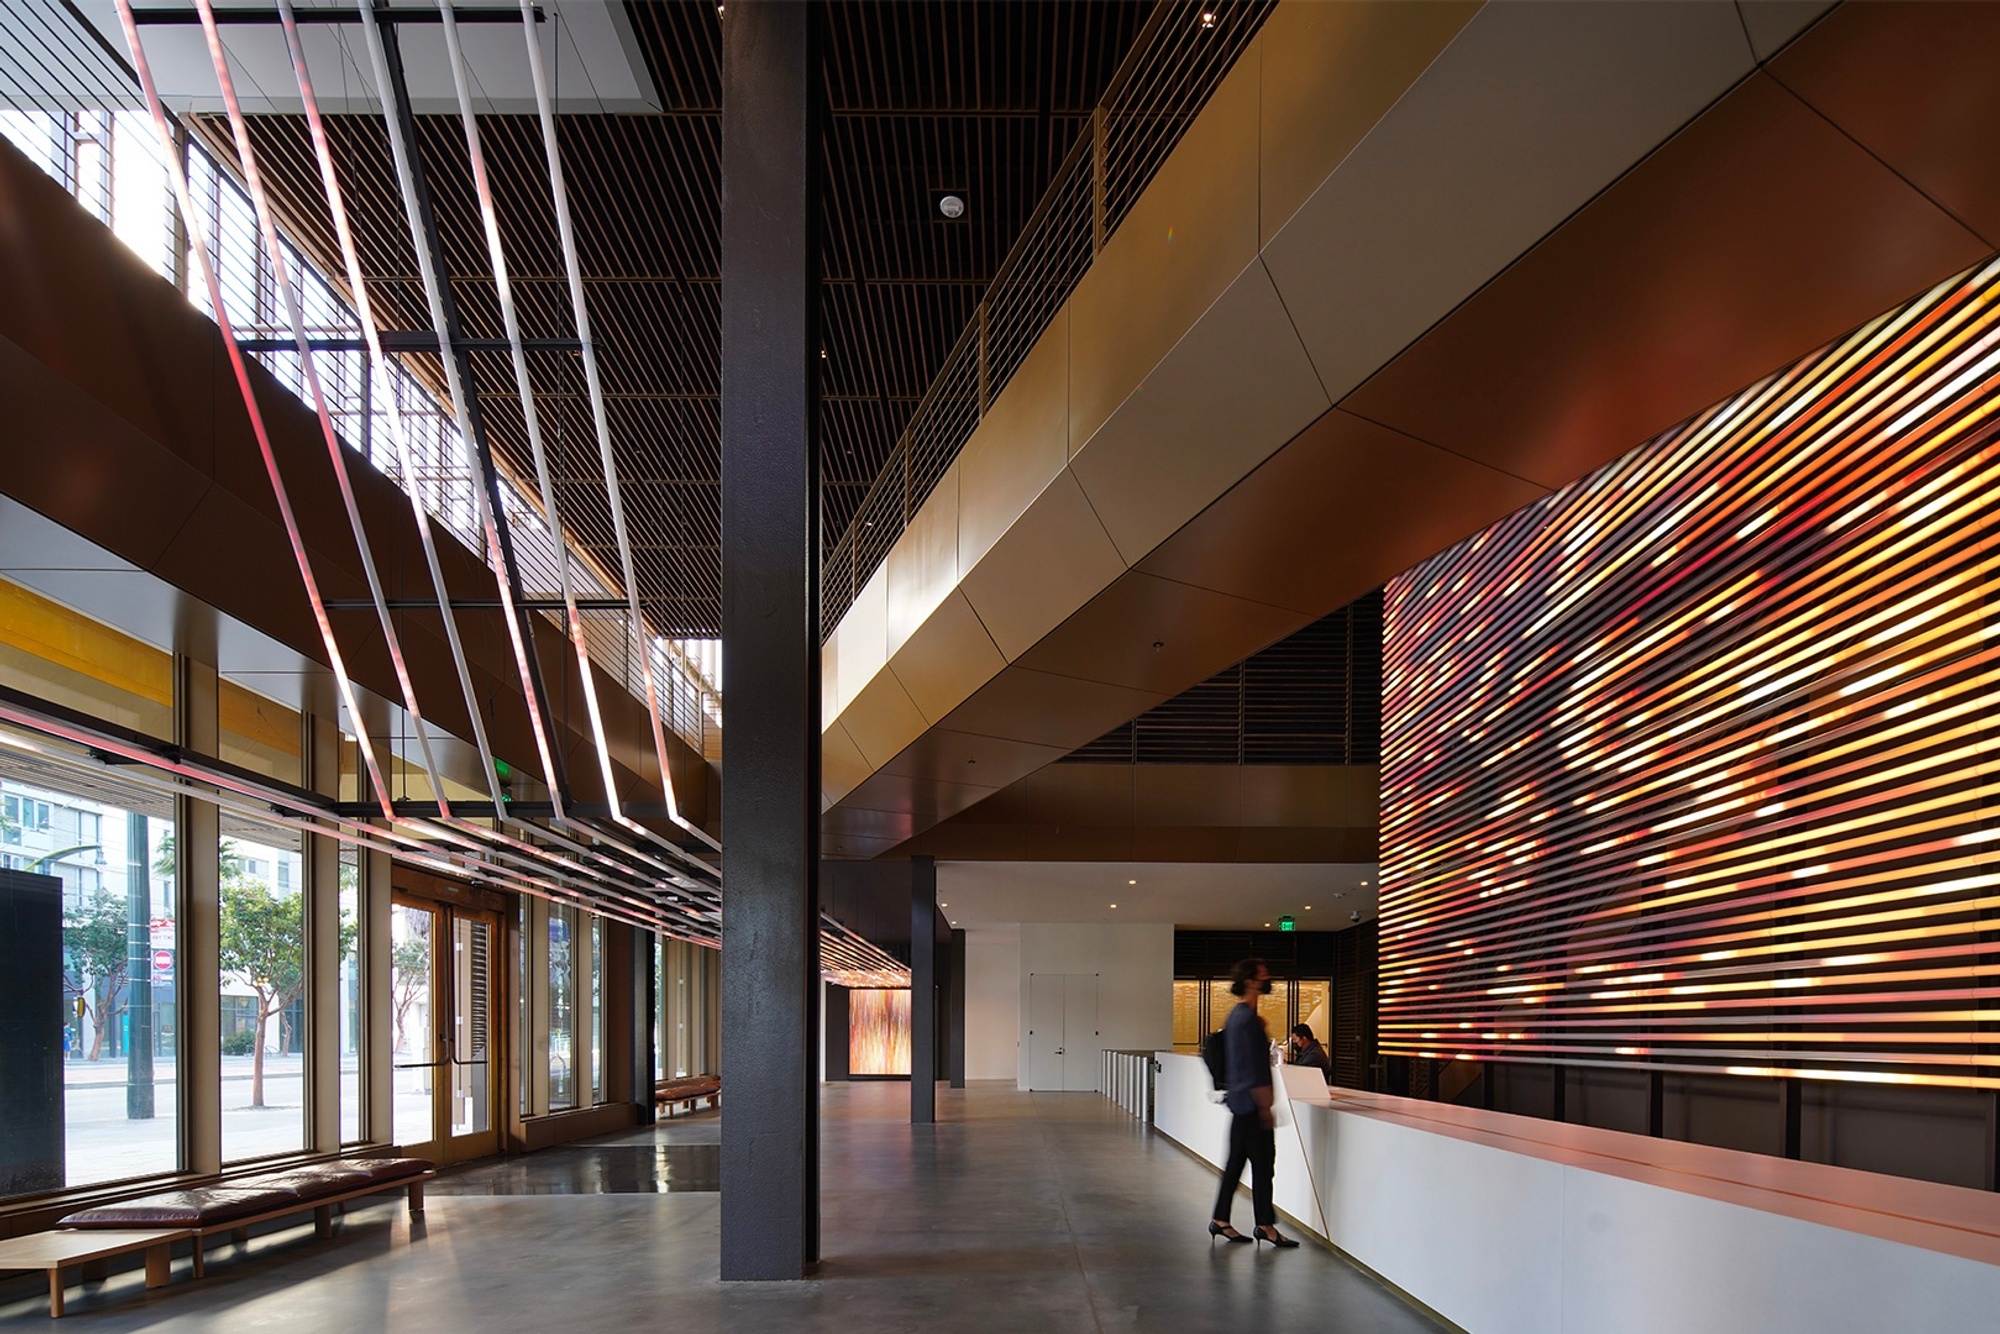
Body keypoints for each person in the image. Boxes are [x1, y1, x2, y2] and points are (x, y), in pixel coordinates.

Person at [1207, 958, 1299, 1248]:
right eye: (1262, 974)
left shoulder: (1237, 1016)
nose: (1267, 976)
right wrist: (1265, 1106)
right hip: (1251, 1105)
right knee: (1263, 1165)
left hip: (1239, 1103)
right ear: (1249, 981)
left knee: (1236, 1164)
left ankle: (1221, 1220)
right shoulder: (1247, 1020)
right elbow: (1252, 1068)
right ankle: (1265, 1225)